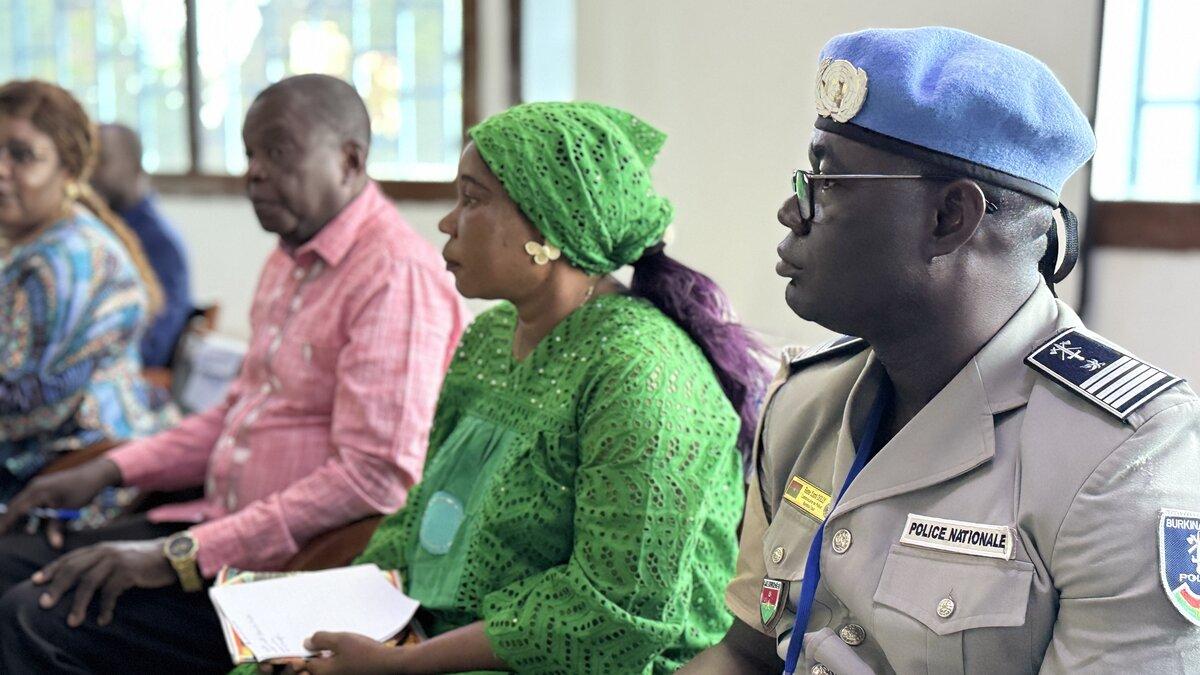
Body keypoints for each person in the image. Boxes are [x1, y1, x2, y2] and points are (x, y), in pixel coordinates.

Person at [685, 27, 1200, 674]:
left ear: (949, 217)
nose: (794, 210)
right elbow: (747, 655)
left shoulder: (1125, 460)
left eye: (829, 180)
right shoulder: (805, 405)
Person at [250, 101, 769, 675]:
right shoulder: (493, 335)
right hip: (433, 635)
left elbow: (615, 614)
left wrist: (401, 664)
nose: (448, 223)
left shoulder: (641, 371)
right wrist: (331, 615)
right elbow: (426, 511)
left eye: (472, 200)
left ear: (549, 226)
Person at [0, 74, 467, 673]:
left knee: (33, 616)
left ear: (349, 160)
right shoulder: (291, 260)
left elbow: (373, 479)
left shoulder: (393, 275)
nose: (254, 172)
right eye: (249, 153)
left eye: (278, 151)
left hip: (293, 576)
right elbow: (234, 413)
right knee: (14, 561)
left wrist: (178, 555)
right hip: (219, 528)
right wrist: (110, 469)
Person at [0, 80, 171, 501]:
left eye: (22, 156)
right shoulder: (32, 240)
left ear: (69, 169)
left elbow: (27, 402)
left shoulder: (61, 261)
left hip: (77, 480)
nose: (1, 169)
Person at [91, 122, 195, 368]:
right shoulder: (94, 232)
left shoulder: (159, 244)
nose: (91, 173)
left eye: (102, 160)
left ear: (136, 165)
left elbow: (153, 348)